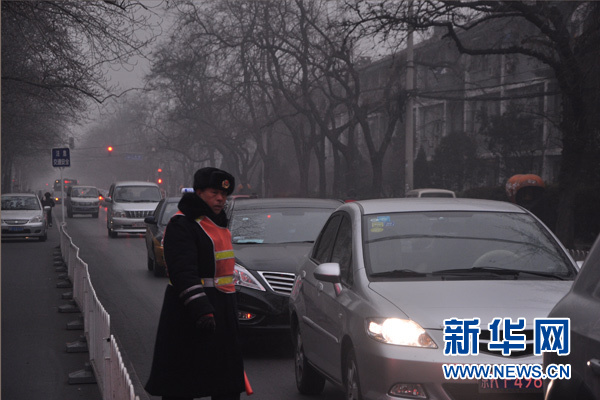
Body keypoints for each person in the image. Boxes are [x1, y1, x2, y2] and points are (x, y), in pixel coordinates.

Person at [145, 167, 246, 400]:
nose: (220, 199)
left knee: (225, 382)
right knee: (183, 380)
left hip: (222, 307)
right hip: (189, 313)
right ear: (199, 192)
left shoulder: (217, 223)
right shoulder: (183, 224)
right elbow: (183, 272)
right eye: (214, 193)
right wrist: (201, 309)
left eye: (224, 195)